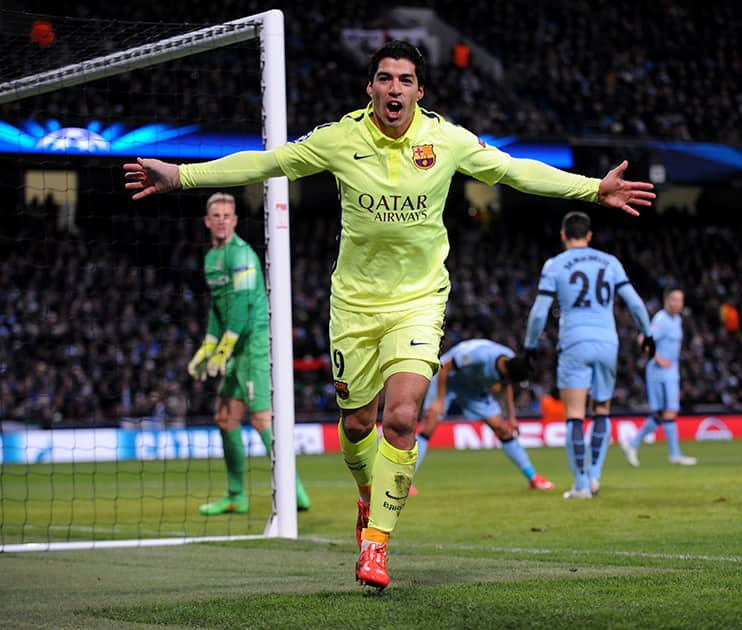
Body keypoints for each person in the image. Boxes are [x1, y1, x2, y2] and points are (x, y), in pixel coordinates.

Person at [124, 41, 655, 589]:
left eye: (405, 80)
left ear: (419, 91)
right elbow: (267, 161)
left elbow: (514, 170)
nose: (394, 88)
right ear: (371, 88)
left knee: (401, 419)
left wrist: (593, 188)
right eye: (385, 78)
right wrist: (182, 177)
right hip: (353, 306)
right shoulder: (339, 138)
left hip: (420, 303)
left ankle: (376, 544)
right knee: (357, 424)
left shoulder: (445, 139)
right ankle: (365, 496)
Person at [187, 192, 311, 515]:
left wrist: (221, 352)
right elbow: (218, 309)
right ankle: (235, 495)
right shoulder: (211, 259)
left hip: (254, 345)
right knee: (226, 418)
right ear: (207, 221)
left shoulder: (240, 255)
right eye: (217, 216)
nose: (222, 221)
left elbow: (241, 309)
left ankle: (292, 487)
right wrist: (206, 348)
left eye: (228, 215)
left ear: (236, 221)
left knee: (260, 418)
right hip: (234, 346)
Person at [524, 211, 655, 500]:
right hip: (608, 342)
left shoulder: (555, 264)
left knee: (574, 415)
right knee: (602, 410)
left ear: (563, 235)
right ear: (590, 235)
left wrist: (530, 346)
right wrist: (647, 333)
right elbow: (634, 303)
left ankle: (581, 484)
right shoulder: (610, 262)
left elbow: (539, 312)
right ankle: (595, 475)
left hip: (575, 341)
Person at [412, 338, 555, 495]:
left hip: (472, 388)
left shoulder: (511, 361)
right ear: (506, 372)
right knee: (428, 427)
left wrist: (512, 417)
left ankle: (533, 478)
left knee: (502, 429)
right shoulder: (479, 356)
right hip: (447, 380)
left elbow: (506, 385)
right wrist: (439, 401)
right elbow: (446, 368)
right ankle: (407, 481)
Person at [621, 287, 697, 467]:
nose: (678, 304)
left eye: (681, 300)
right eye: (675, 300)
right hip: (658, 372)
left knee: (664, 414)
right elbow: (643, 340)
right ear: (667, 301)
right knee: (665, 412)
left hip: (672, 371)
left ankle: (634, 445)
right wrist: (658, 358)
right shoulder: (661, 320)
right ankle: (673, 454)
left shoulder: (677, 320)